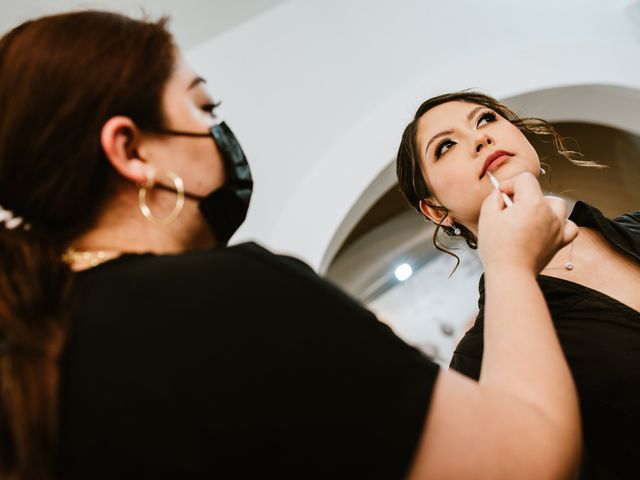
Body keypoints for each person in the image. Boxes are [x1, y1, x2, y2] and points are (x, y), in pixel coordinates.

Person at [0, 12, 581, 479]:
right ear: (131, 150)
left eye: (486, 121)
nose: (218, 133)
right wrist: (508, 267)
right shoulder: (229, 299)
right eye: (205, 109)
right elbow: (528, 458)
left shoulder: (41, 344)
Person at [396, 91, 640, 479]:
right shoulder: (480, 360)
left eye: (486, 120)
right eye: (446, 146)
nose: (479, 138)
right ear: (437, 210)